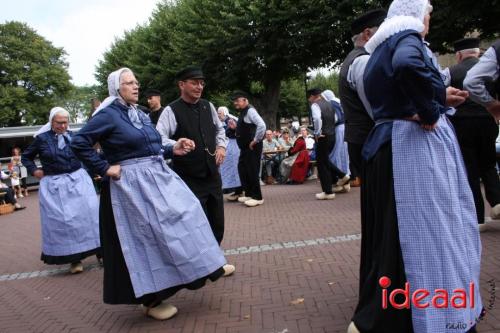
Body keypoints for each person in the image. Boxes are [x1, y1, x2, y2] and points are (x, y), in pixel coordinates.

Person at [348, 1, 482, 332]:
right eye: (429, 14)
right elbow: (409, 66)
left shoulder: (381, 46)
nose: (429, 21)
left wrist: (436, 94)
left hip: (388, 143)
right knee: (430, 227)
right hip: (411, 147)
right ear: (416, 12)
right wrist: (430, 110)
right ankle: (433, 308)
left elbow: (398, 85)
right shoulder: (407, 38)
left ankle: (389, 311)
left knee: (393, 231)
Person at [71, 67, 227, 320]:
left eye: (136, 83)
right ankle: (151, 300)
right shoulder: (108, 114)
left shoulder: (139, 113)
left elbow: (153, 143)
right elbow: (78, 143)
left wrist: (175, 146)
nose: (136, 87)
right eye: (129, 83)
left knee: (184, 218)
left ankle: (197, 267)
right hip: (130, 188)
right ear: (116, 88)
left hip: (154, 179)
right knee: (144, 240)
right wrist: (104, 168)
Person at [156, 67, 235, 276]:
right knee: (193, 223)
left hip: (212, 174)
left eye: (202, 82)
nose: (199, 86)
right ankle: (205, 264)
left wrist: (221, 146)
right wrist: (176, 143)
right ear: (182, 84)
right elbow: (159, 138)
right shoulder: (171, 111)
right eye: (194, 82)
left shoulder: (209, 106)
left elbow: (220, 129)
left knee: (217, 220)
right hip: (187, 177)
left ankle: (213, 258)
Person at [21, 107, 101, 274]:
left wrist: (98, 170)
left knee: (90, 216)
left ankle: (101, 252)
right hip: (55, 184)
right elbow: (26, 157)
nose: (63, 126)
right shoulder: (41, 139)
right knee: (65, 222)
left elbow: (88, 154)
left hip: (78, 181)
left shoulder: (75, 137)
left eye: (65, 122)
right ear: (52, 122)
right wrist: (34, 170)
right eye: (59, 123)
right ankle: (74, 259)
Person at [448, 37, 500, 232]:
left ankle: (477, 217)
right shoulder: (491, 68)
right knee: (488, 162)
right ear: (477, 52)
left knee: (469, 168)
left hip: (462, 124)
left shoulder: (451, 72)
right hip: (488, 120)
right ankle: (497, 202)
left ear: (459, 55)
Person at [339, 9, 386, 188]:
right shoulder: (363, 61)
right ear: (368, 34)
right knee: (380, 198)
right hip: (370, 138)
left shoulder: (355, 59)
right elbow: (378, 109)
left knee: (375, 199)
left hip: (362, 137)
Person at [308, 88, 350, 200]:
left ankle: (328, 191)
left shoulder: (315, 105)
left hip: (323, 136)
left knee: (322, 164)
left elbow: (317, 119)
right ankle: (342, 175)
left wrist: (317, 132)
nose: (309, 99)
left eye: (309, 97)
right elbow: (335, 118)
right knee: (325, 160)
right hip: (332, 135)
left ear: (313, 96)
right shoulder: (330, 104)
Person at [232, 91, 266, 207]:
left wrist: (256, 140)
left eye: (237, 101)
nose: (235, 103)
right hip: (245, 148)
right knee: (243, 169)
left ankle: (257, 197)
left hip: (252, 147)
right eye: (234, 101)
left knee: (252, 170)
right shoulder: (243, 111)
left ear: (245, 100)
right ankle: (249, 193)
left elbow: (262, 125)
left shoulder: (250, 110)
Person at [322, 89, 351, 193]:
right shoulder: (339, 101)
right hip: (345, 128)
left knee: (336, 153)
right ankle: (345, 180)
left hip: (338, 129)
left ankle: (340, 179)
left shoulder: (332, 104)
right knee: (344, 153)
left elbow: (335, 118)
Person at [217, 106, 243, 200]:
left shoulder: (230, 120)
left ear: (224, 112)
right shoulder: (225, 121)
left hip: (234, 146)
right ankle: (237, 191)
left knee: (236, 168)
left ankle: (239, 191)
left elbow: (230, 132)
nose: (218, 115)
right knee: (232, 169)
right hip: (231, 146)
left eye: (219, 113)